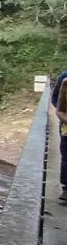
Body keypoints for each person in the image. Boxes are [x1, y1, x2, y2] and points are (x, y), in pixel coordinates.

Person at [52, 71, 67, 201]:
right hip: (66, 126)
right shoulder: (64, 79)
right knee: (66, 156)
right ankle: (66, 189)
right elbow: (56, 101)